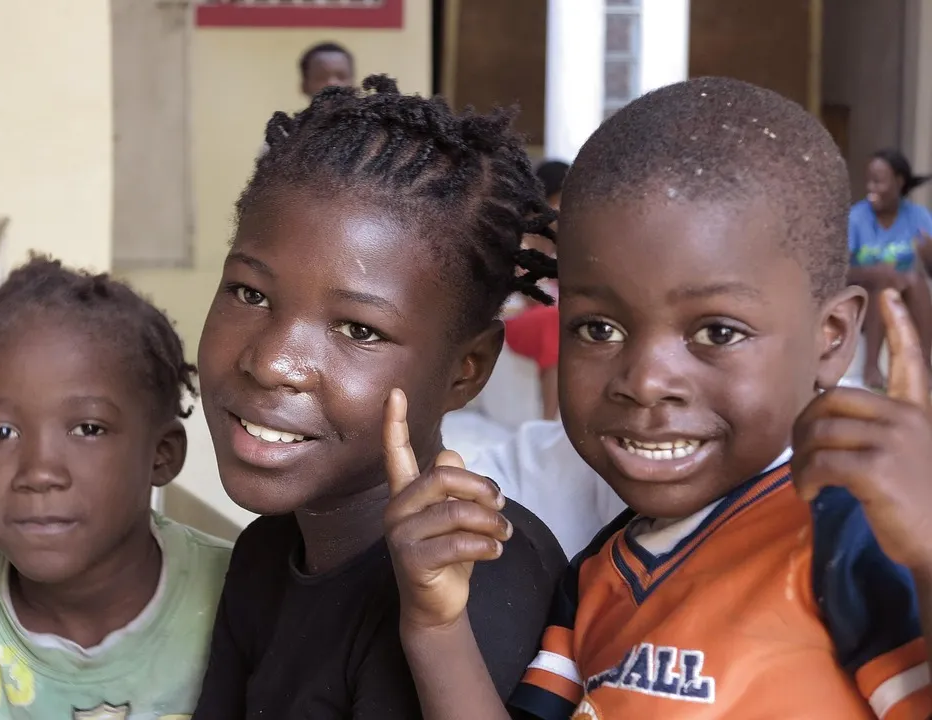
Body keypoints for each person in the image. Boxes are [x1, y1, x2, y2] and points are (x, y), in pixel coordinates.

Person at [386, 77, 932, 719]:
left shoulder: (851, 538)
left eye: (717, 332)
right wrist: (435, 627)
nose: (645, 380)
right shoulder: (594, 579)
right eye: (599, 329)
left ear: (831, 338)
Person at [192, 75, 568, 718]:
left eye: (359, 330)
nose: (274, 363)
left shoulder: (475, 577)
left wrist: (434, 631)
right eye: (250, 294)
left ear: (466, 370)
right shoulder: (265, 554)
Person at [0, 257, 232, 719]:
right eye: (0, 433)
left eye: (89, 428)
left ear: (162, 454)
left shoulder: (235, 596)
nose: (38, 472)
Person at [849, 148, 932, 389]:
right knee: (883, 282)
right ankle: (871, 367)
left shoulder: (917, 216)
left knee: (914, 279)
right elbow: (839, 272)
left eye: (879, 181)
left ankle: (925, 362)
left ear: (899, 182)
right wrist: (874, 273)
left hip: (904, 301)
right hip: (864, 303)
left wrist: (929, 256)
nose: (871, 189)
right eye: (869, 181)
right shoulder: (857, 217)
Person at [502, 159, 569, 421]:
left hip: (549, 316)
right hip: (517, 319)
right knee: (552, 321)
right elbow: (529, 296)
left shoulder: (559, 241)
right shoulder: (519, 237)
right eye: (560, 200)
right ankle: (548, 420)